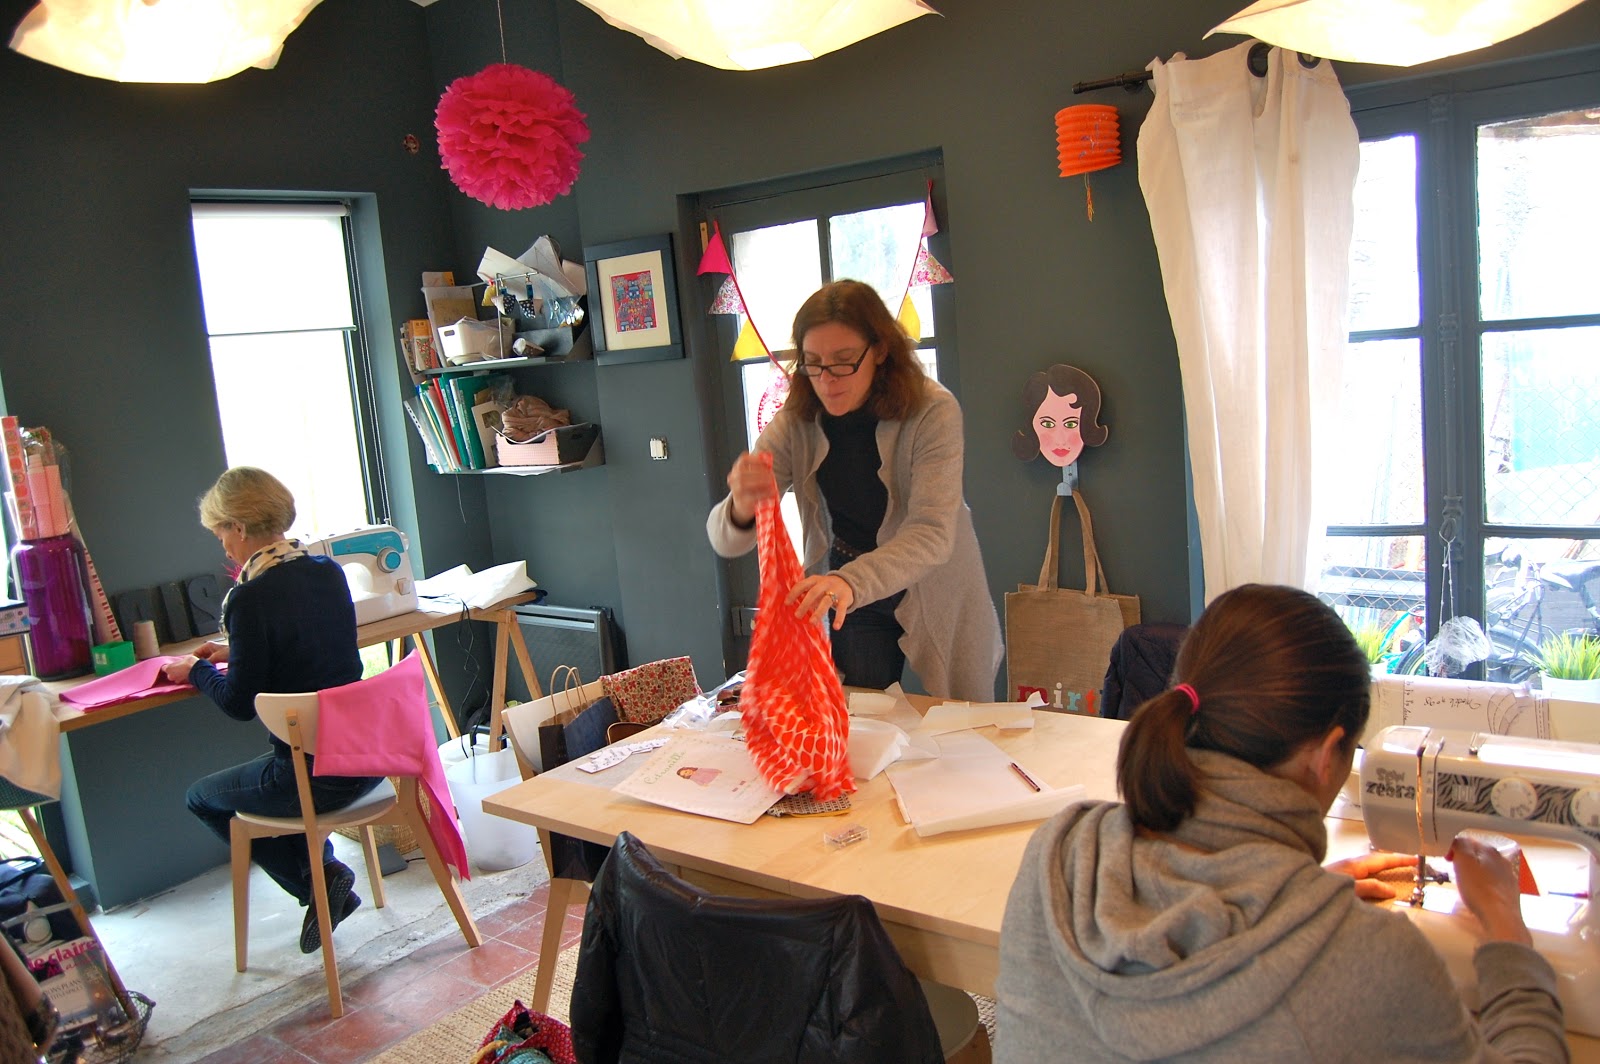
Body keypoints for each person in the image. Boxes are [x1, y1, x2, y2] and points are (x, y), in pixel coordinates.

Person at [996, 583, 1567, 1062]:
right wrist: (1507, 932)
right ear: (1326, 754)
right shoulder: (1373, 960)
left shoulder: (1060, 854)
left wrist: (1292, 899)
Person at [706, 279, 1002, 701]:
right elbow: (725, 540)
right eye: (813, 363)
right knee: (861, 713)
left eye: (844, 361)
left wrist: (849, 582)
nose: (827, 380)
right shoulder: (796, 420)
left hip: (933, 580)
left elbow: (931, 533)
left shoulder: (932, 410)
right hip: (849, 584)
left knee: (963, 719)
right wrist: (740, 505)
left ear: (879, 350)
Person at [162, 467, 381, 955]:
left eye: (221, 533)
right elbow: (310, 646)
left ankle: (317, 881)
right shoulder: (327, 572)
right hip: (371, 760)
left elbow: (239, 704)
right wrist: (236, 651)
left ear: (239, 527)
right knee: (280, 771)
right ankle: (323, 875)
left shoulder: (248, 598)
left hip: (317, 779)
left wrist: (196, 671)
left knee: (202, 798)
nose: (223, 547)